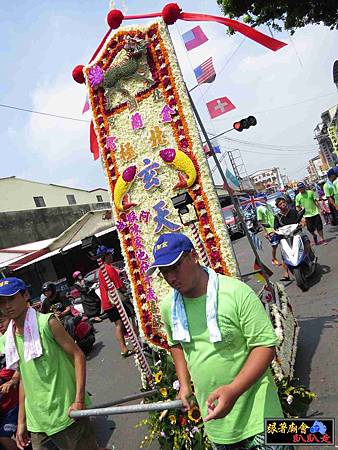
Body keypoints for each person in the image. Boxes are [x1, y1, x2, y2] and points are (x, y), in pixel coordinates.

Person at [148, 233, 290, 450]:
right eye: (164, 272)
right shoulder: (170, 307)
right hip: (217, 426)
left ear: (193, 257)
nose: (171, 277)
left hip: (261, 417)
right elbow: (176, 344)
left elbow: (264, 347)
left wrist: (233, 390)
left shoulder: (236, 292)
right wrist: (184, 384)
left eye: (175, 267)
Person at [0, 277, 104, 450]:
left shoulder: (46, 323)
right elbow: (25, 378)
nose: (6, 306)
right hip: (37, 421)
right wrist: (21, 422)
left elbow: (78, 355)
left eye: (11, 299)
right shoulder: (9, 337)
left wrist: (78, 400)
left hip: (66, 412)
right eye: (2, 302)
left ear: (25, 295)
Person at [97, 246, 136, 358]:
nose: (112, 256)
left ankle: (124, 348)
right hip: (114, 301)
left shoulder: (101, 270)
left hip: (107, 302)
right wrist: (128, 290)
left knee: (118, 325)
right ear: (106, 256)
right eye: (110, 254)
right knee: (130, 317)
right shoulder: (109, 268)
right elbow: (120, 286)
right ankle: (134, 343)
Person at [0, 311, 20, 450]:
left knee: (3, 438)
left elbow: (13, 369)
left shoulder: (11, 341)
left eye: (2, 321)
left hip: (13, 406)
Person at [256, 196, 280, 266]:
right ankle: (274, 259)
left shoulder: (268, 205)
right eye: (262, 198)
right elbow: (260, 221)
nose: (264, 199)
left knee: (283, 241)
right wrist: (265, 232)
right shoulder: (259, 209)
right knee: (274, 245)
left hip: (276, 227)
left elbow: (274, 215)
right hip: (269, 230)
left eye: (264, 198)